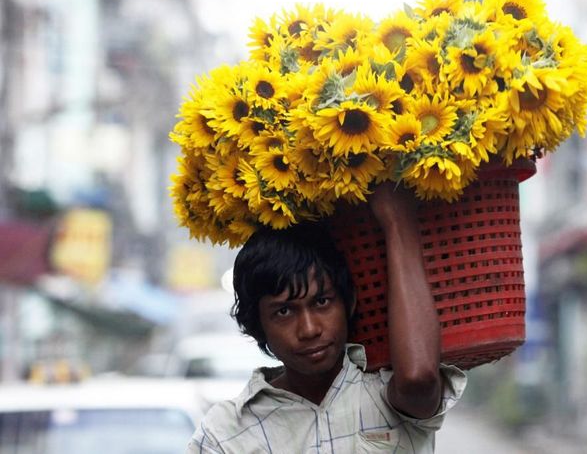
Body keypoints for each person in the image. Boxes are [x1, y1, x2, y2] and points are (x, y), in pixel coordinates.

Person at [185, 183, 466, 453]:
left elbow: (418, 380)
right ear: (257, 325)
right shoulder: (226, 434)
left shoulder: (383, 393)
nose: (309, 329)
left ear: (349, 302)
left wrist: (396, 218)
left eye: (321, 302)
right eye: (284, 311)